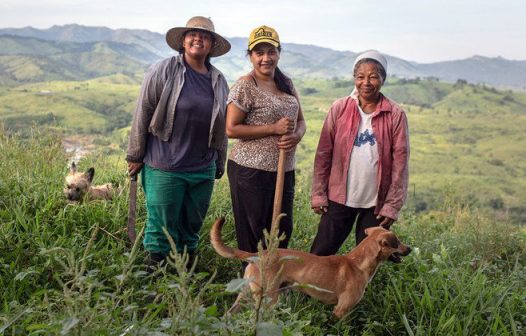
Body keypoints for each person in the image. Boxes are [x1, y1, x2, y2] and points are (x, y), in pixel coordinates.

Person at [126, 16, 231, 268]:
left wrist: (220, 160)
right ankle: (155, 283)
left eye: (205, 36)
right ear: (183, 41)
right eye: (192, 34)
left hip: (202, 168)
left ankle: (185, 278)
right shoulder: (163, 70)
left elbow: (222, 126)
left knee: (191, 227)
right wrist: (135, 154)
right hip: (165, 165)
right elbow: (144, 110)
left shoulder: (218, 80)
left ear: (211, 45)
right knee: (161, 226)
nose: (198, 39)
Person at [310, 50, 409, 256]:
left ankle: (357, 291)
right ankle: (306, 290)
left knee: (368, 261)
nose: (366, 82)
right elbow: (323, 154)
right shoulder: (340, 108)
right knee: (321, 254)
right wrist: (319, 193)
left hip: (375, 204)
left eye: (373, 76)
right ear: (354, 79)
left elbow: (400, 165)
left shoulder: (395, 114)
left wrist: (391, 206)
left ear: (383, 79)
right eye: (360, 76)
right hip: (338, 198)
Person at [226, 25, 306, 253]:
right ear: (250, 56)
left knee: (281, 230)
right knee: (254, 233)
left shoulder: (286, 83)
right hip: (250, 171)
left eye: (271, 52)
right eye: (259, 52)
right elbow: (231, 129)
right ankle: (251, 284)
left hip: (284, 170)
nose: (266, 58)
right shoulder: (245, 85)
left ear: (279, 53)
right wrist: (273, 128)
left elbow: (301, 121)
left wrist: (296, 137)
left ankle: (273, 283)